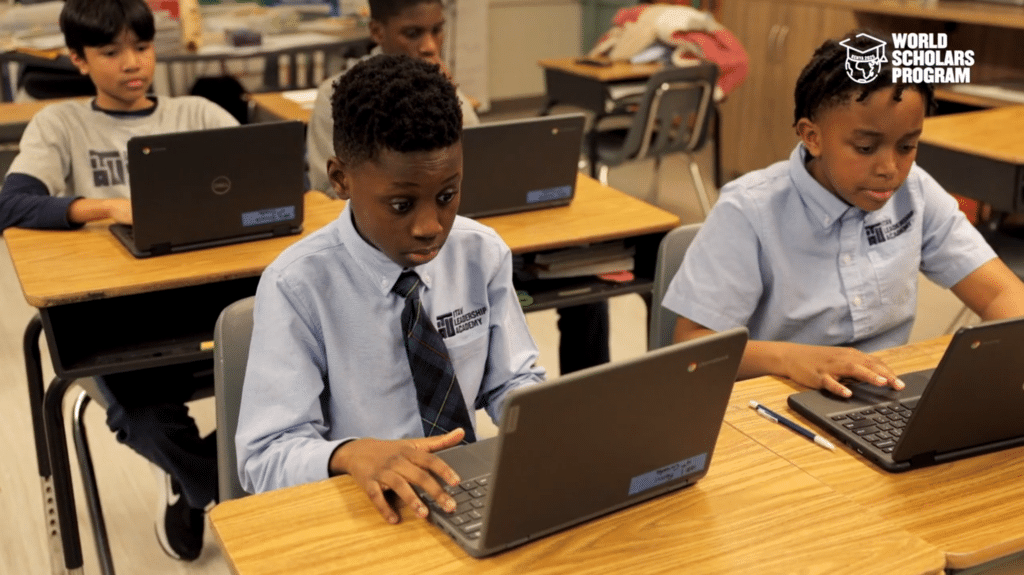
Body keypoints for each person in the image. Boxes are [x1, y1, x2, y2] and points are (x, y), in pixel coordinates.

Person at [236, 55, 546, 524]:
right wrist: (352, 454)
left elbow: (510, 381)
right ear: (341, 179)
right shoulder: (298, 285)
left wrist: (553, 425)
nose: (430, 226)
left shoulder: (481, 253)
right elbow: (264, 459)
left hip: (464, 494)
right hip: (362, 507)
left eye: (447, 196)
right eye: (401, 204)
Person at [0, 0, 239, 560]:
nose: (132, 63)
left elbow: (271, 181)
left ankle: (195, 489)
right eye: (111, 53)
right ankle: (223, 491)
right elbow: (11, 203)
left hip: (211, 301)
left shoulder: (197, 114)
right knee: (144, 417)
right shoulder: (60, 124)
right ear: (79, 60)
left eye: (143, 47)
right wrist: (105, 209)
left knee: (293, 379)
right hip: (119, 318)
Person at [663, 30, 1024, 398]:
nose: (890, 168)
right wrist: (791, 358)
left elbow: (1000, 295)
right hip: (774, 401)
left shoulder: (916, 191)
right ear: (812, 136)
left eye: (907, 146)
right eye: (866, 147)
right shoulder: (750, 210)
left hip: (883, 396)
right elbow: (693, 347)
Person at [306, 0, 610, 376]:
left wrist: (448, 97)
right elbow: (323, 201)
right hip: (389, 252)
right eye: (413, 33)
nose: (430, 45)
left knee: (585, 279)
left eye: (437, 30)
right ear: (377, 32)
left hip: (461, 240)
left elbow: (478, 168)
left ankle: (591, 417)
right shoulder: (338, 97)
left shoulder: (445, 91)